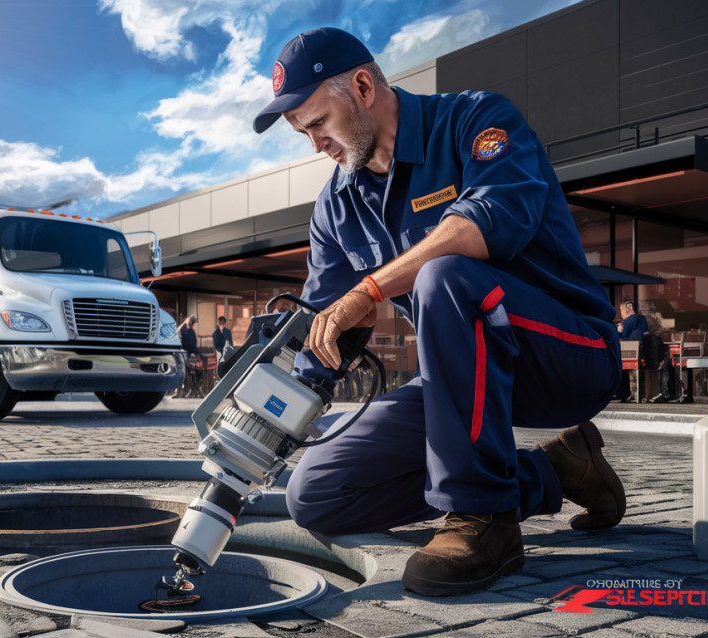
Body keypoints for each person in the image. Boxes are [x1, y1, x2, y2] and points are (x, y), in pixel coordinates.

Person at [253, 28, 625, 596]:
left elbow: (483, 226)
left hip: (566, 357)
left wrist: (370, 290)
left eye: (318, 123)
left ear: (361, 85)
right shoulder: (336, 205)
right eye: (303, 133)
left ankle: (484, 518)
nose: (315, 144)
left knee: (445, 275)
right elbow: (325, 325)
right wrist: (267, 423)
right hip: (461, 379)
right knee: (317, 494)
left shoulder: (475, 121)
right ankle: (555, 470)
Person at [614, 300, 650, 402]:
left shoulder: (629, 320)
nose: (621, 313)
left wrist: (619, 329)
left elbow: (623, 334)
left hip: (628, 351)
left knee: (620, 367)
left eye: (621, 310)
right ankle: (639, 394)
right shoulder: (642, 319)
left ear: (625, 310)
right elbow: (646, 334)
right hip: (641, 350)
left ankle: (621, 393)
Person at [179, 316, 203, 397]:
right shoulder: (190, 332)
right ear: (193, 324)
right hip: (190, 354)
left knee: (188, 373)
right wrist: (196, 353)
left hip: (183, 354)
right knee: (196, 371)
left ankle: (188, 391)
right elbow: (192, 344)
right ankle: (194, 390)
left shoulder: (182, 330)